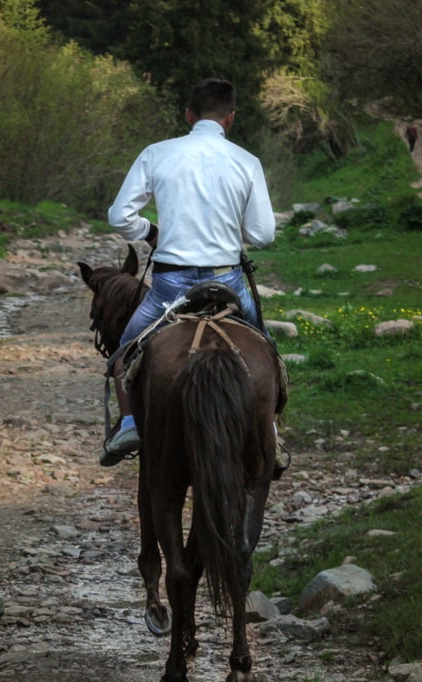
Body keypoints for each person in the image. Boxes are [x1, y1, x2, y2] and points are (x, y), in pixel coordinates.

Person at [101, 78, 276, 466]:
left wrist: (151, 231)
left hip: (169, 287)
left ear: (188, 115)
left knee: (123, 354)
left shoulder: (157, 153)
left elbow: (120, 217)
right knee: (265, 350)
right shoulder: (247, 161)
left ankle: (129, 424)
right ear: (230, 118)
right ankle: (272, 434)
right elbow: (263, 235)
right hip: (227, 281)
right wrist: (234, 227)